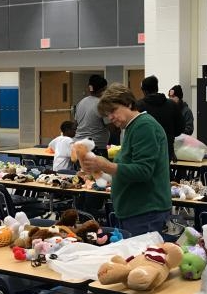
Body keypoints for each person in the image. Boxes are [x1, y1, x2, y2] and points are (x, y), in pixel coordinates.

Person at [80, 83, 171, 235]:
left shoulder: (144, 126)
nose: (110, 117)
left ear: (128, 103)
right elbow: (127, 167)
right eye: (107, 114)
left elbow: (143, 171)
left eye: (113, 110)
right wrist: (100, 171)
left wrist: (106, 165)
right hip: (135, 211)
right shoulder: (132, 127)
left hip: (144, 212)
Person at [136, 75, 184, 162]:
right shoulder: (172, 105)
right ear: (157, 88)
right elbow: (180, 128)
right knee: (164, 174)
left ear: (143, 90)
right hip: (166, 149)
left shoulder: (139, 106)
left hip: (144, 150)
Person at [74, 74, 110, 157]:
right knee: (98, 170)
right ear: (104, 89)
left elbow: (75, 124)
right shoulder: (102, 104)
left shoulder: (81, 102)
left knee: (82, 170)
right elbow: (111, 127)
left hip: (79, 145)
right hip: (95, 147)